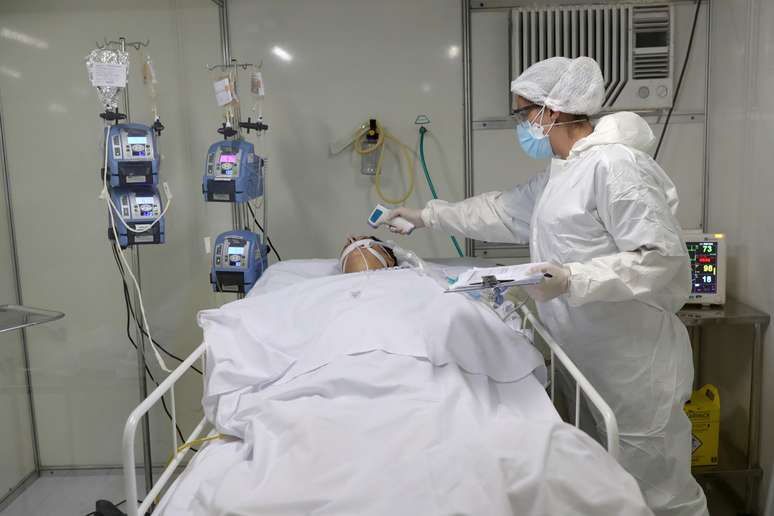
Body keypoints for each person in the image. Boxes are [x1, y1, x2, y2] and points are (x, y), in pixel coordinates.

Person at [387, 56, 708, 516]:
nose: (521, 124)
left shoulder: (616, 167)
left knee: (655, 489)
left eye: (523, 113)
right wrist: (426, 216)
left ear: (550, 112)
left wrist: (574, 278)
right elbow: (500, 211)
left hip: (632, 361)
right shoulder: (564, 172)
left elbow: (660, 259)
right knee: (603, 483)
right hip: (583, 353)